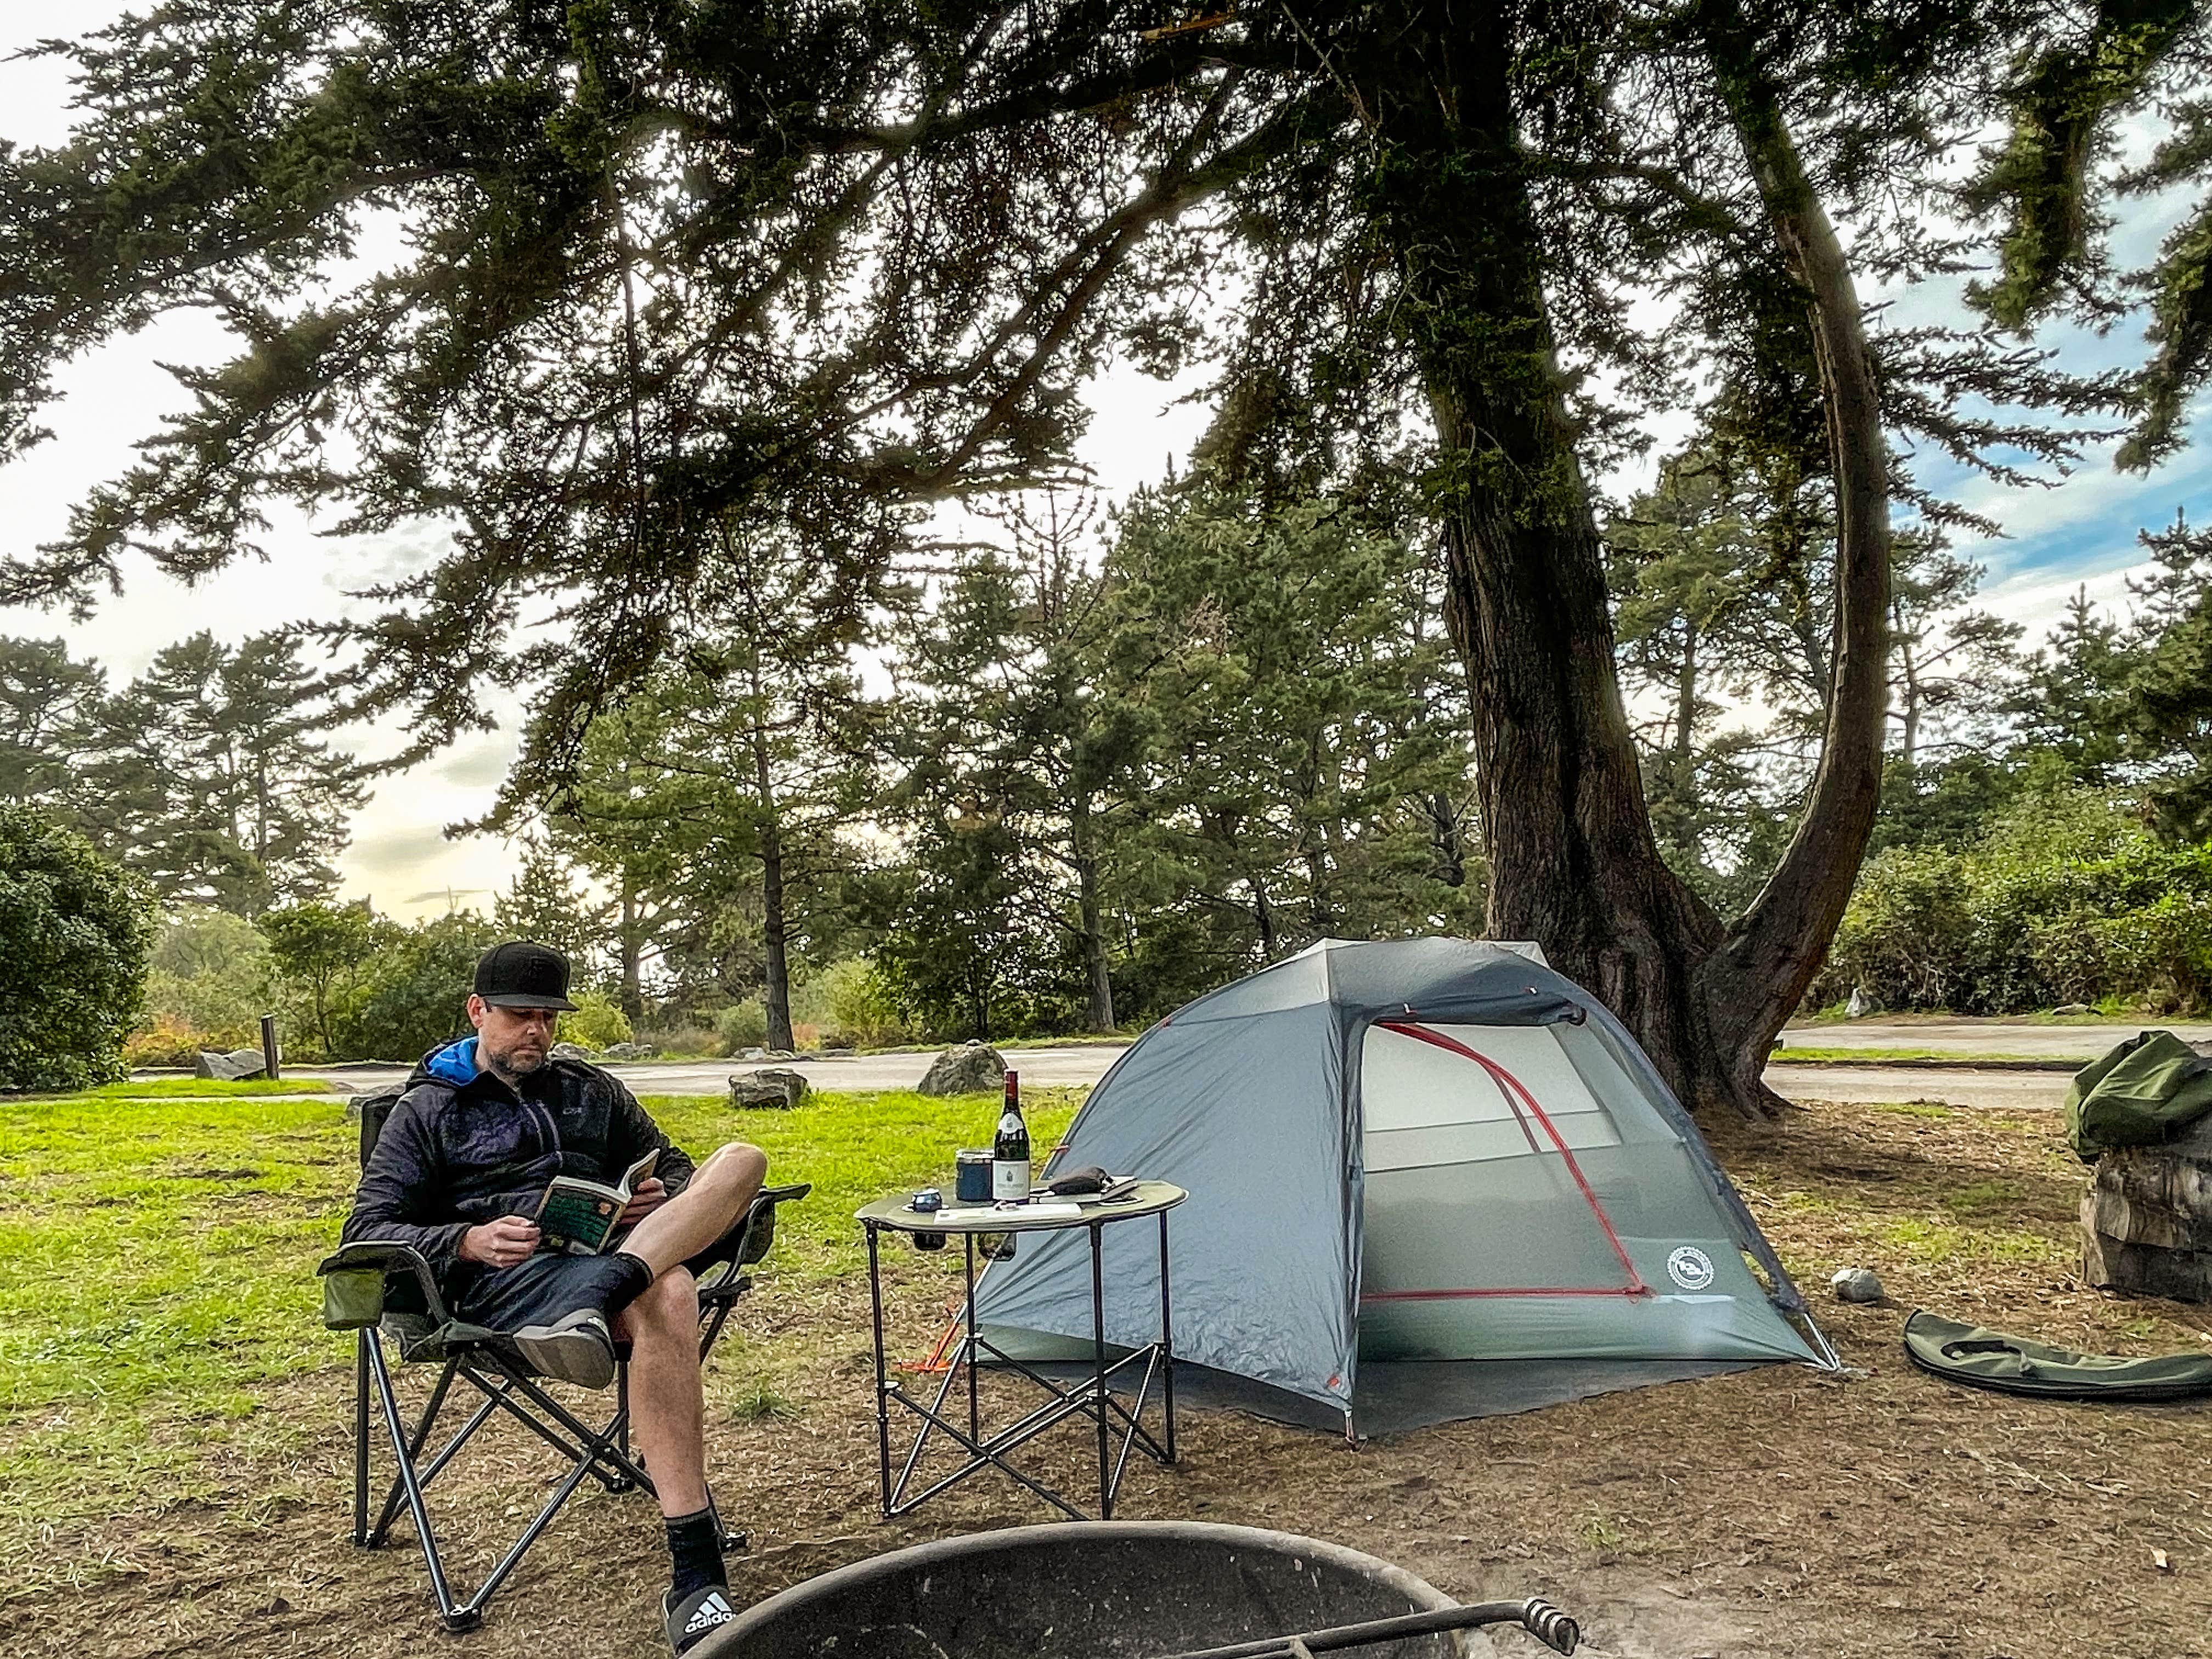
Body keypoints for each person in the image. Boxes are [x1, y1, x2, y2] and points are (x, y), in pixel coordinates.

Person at [343, 940, 768, 1653]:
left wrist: (651, 1196)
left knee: (742, 1162)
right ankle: (697, 1575)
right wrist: (468, 1241)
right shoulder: (427, 1109)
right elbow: (369, 1228)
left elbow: (677, 1166)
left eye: (547, 1017)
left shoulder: (590, 1088)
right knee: (669, 1294)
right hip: (506, 1287)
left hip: (604, 1263)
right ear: (478, 1011)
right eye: (518, 1016)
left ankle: (614, 1284)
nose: (536, 1031)